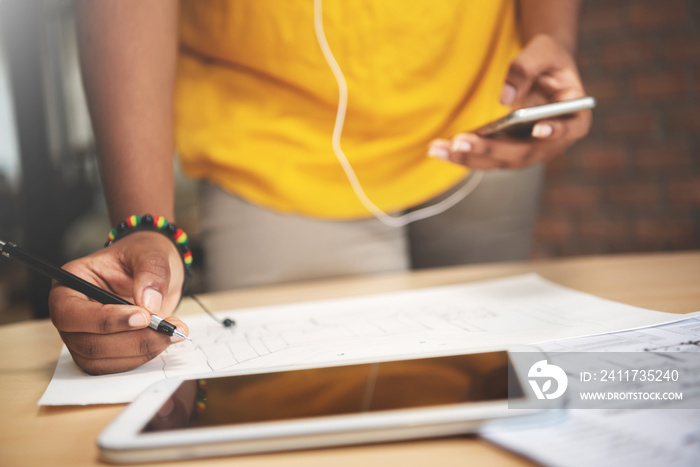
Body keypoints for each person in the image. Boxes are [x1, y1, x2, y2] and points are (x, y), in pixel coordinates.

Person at [49, 0, 591, 375]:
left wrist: (553, 39)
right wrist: (145, 226)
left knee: (496, 382)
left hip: (480, 117)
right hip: (272, 148)